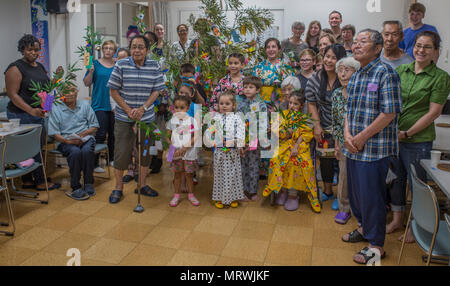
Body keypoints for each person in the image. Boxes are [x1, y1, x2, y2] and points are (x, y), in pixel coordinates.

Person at [342, 29, 402, 265]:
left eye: (362, 42)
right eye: (355, 42)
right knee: (356, 197)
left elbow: (389, 113)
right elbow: (349, 110)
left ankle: (376, 245)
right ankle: (364, 230)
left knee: (372, 198)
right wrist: (347, 134)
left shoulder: (385, 73)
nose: (356, 46)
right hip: (354, 147)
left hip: (374, 150)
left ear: (377, 49)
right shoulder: (357, 75)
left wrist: (362, 137)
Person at [388, 31, 450, 243]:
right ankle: (397, 220)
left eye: (427, 47)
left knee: (417, 186)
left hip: (417, 141)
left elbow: (433, 113)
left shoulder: (441, 77)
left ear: (436, 51)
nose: (421, 50)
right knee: (397, 181)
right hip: (395, 138)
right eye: (418, 46)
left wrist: (406, 133)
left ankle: (416, 227)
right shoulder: (402, 70)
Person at [107, 35, 166, 204]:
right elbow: (113, 91)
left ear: (147, 50)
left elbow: (157, 90)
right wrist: (129, 110)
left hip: (146, 117)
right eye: (134, 47)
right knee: (121, 153)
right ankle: (118, 187)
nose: (137, 50)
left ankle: (142, 185)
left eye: (141, 47)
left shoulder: (154, 66)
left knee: (145, 152)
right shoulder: (121, 64)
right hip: (124, 118)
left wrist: (143, 109)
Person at [5, 34, 61, 191]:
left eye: (37, 50)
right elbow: (12, 94)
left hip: (39, 113)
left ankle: (33, 180)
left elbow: (48, 89)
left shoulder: (40, 67)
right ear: (22, 49)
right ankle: (37, 181)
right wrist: (31, 110)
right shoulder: (15, 68)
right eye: (30, 50)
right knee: (28, 149)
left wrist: (47, 107)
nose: (34, 53)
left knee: (40, 147)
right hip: (20, 115)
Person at [262, 91, 321, 213]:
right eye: (290, 103)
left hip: (300, 146)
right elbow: (278, 133)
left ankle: (293, 194)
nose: (292, 106)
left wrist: (296, 147)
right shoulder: (282, 115)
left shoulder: (305, 118)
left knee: (300, 163)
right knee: (277, 159)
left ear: (301, 106)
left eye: (295, 104)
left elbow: (305, 135)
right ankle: (282, 189)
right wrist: (281, 131)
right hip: (284, 145)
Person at [305, 44, 346, 209]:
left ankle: (341, 195)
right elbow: (312, 104)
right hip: (324, 125)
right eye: (327, 56)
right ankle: (328, 191)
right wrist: (317, 125)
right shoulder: (315, 79)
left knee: (342, 163)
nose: (329, 60)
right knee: (326, 160)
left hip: (344, 127)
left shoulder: (345, 77)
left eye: (333, 57)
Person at [48, 84, 99, 200]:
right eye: (66, 91)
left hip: (85, 138)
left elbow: (95, 126)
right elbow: (53, 133)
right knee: (75, 153)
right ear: (61, 95)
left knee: (86, 151)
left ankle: (89, 183)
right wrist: (68, 141)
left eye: (73, 91)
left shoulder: (85, 105)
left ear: (76, 92)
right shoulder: (55, 108)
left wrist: (82, 135)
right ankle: (76, 187)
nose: (70, 93)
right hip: (65, 140)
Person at [331, 56, 360, 224]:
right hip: (343, 142)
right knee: (344, 176)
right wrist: (336, 145)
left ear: (356, 73)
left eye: (347, 70)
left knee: (361, 177)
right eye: (340, 71)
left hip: (361, 140)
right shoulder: (336, 94)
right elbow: (335, 121)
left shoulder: (361, 92)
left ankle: (361, 210)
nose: (342, 74)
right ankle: (344, 208)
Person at [83, 40, 117, 174]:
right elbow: (86, 83)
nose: (108, 50)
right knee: (100, 134)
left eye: (111, 48)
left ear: (114, 51)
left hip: (115, 104)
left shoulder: (117, 65)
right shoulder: (94, 64)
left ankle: (112, 158)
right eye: (106, 48)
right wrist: (90, 72)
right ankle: (95, 162)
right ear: (102, 50)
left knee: (114, 133)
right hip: (99, 104)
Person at [211, 90, 246, 209]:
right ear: (218, 105)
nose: (224, 106)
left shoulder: (237, 119)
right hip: (220, 152)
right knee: (220, 175)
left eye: (227, 104)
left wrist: (238, 144)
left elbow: (241, 133)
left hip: (232, 153)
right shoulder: (216, 118)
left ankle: (232, 197)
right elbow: (211, 133)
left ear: (233, 105)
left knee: (233, 175)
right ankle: (220, 198)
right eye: (221, 103)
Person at [166, 96, 200, 207]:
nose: (178, 110)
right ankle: (176, 195)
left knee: (189, 174)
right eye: (176, 107)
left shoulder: (192, 121)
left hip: (189, 152)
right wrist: (172, 149)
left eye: (182, 107)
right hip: (176, 153)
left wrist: (185, 147)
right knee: (177, 175)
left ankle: (191, 194)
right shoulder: (172, 121)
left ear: (188, 107)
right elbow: (167, 136)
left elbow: (196, 136)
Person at [237, 76, 267, 202]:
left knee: (254, 165)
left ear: (258, 90)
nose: (247, 90)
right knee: (243, 165)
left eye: (251, 87)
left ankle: (253, 191)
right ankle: (243, 190)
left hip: (255, 139)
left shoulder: (261, 104)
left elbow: (263, 123)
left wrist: (255, 139)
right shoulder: (241, 104)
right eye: (245, 87)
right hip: (243, 139)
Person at [252, 38, 295, 106]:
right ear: (265, 50)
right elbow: (253, 86)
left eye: (273, 46)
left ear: (279, 49)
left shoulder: (286, 67)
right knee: (262, 116)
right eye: (268, 47)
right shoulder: (258, 67)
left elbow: (292, 87)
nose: (271, 49)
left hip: (281, 102)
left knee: (278, 117)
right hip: (261, 102)